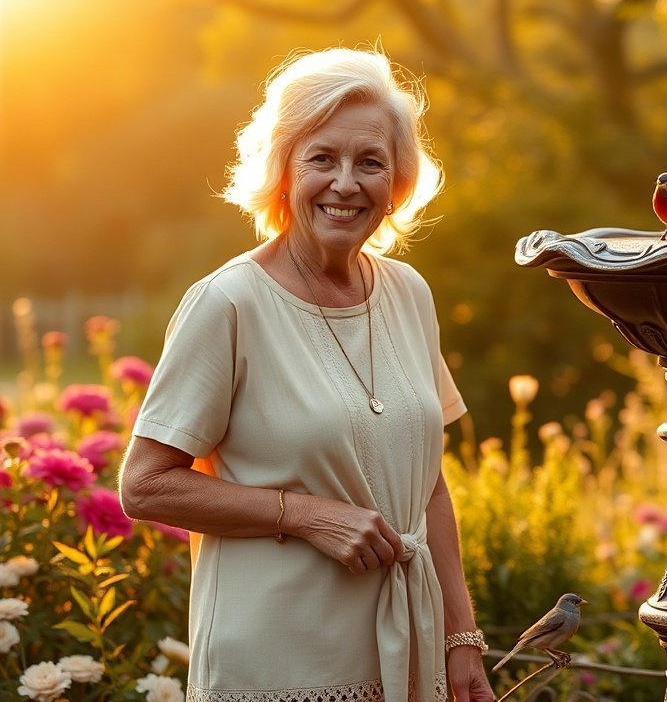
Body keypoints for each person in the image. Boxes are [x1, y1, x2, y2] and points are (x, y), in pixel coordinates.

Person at [119, 46, 495, 702]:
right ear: (283, 171)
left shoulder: (409, 292)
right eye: (322, 158)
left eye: (370, 162)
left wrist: (461, 639)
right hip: (277, 665)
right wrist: (306, 515)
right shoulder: (227, 303)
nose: (346, 183)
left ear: (397, 180)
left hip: (406, 652)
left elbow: (427, 483)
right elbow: (145, 486)